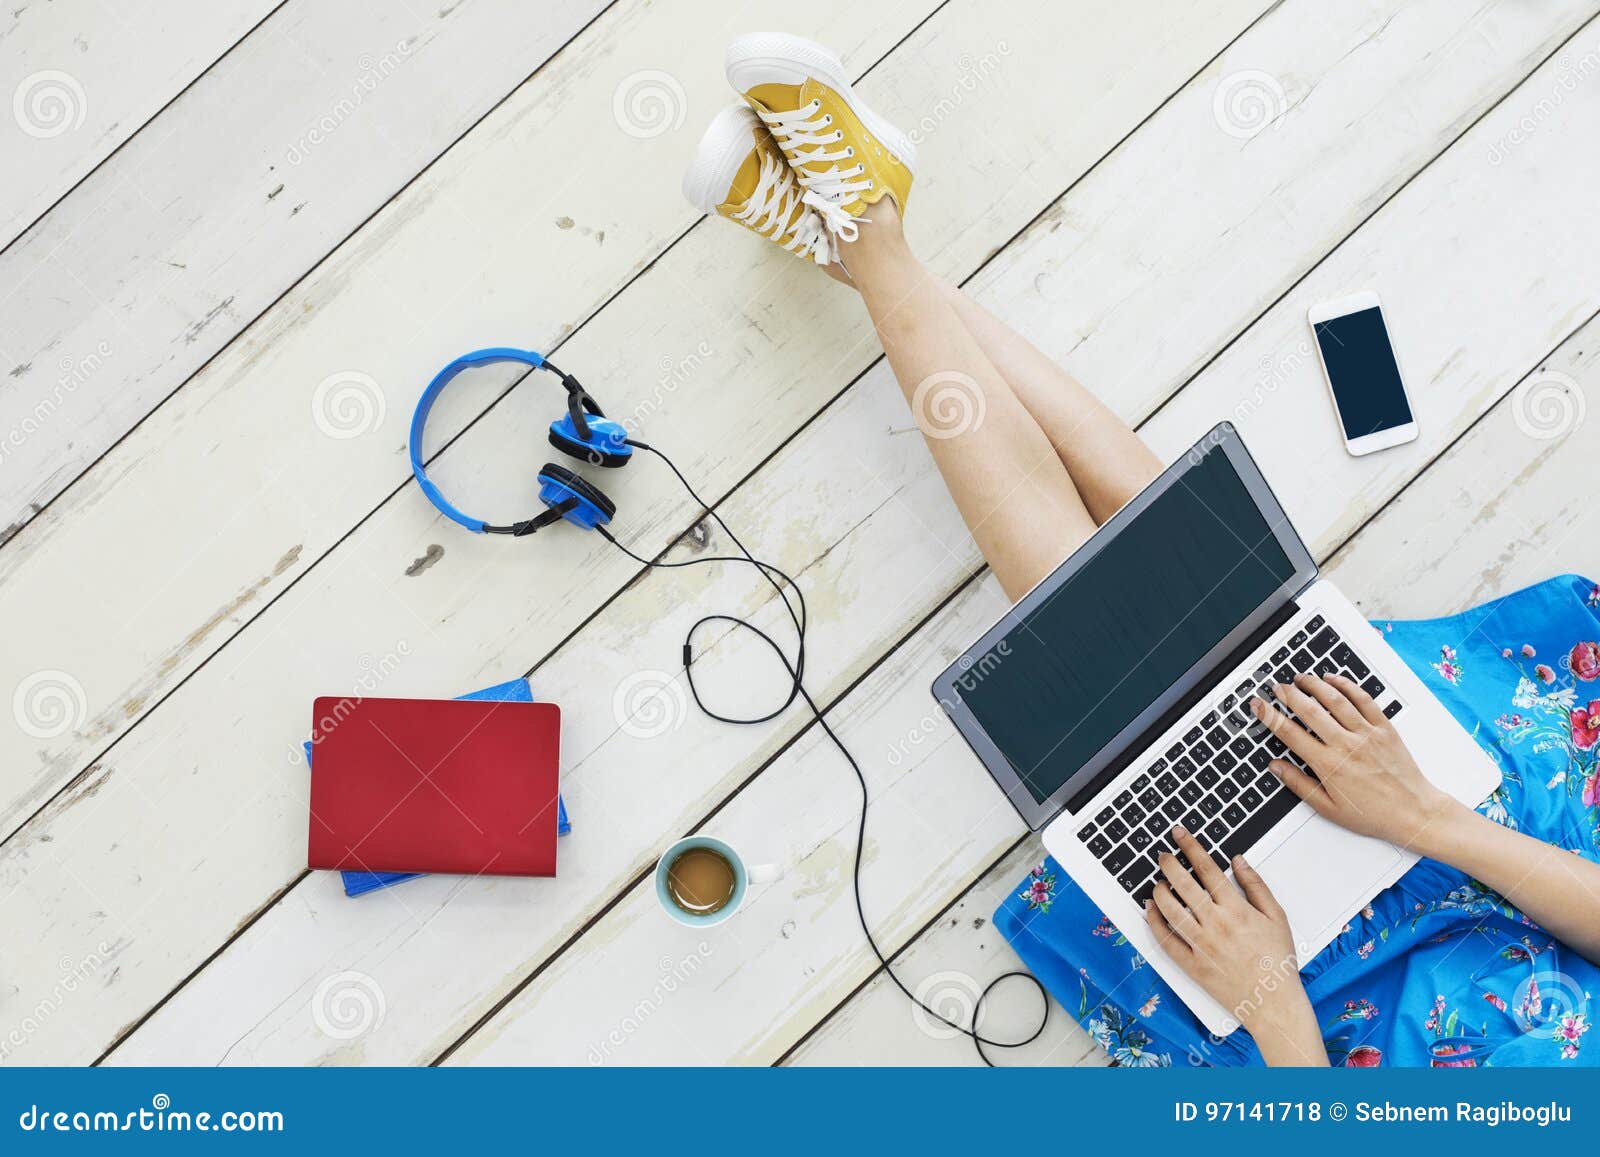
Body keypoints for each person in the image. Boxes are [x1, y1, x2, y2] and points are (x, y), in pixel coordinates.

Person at [686, 33, 1600, 1066]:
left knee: (1139, 668)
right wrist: (1425, 813)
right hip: (1508, 858)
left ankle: (865, 240)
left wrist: (1268, 996)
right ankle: (867, 235)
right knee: (1235, 606)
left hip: (1307, 1010)